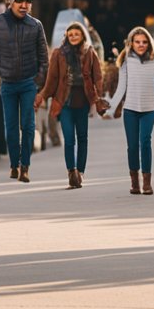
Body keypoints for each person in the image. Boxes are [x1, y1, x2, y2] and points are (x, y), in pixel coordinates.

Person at [0, 0, 48, 183]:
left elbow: (44, 57)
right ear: (10, 3)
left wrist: (38, 81)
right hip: (8, 84)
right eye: (19, 1)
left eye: (27, 2)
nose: (24, 5)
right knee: (10, 127)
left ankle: (25, 166)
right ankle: (14, 165)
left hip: (29, 82)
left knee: (28, 125)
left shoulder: (36, 25)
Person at [35, 21, 107, 189]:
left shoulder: (90, 52)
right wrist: (42, 96)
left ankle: (80, 172)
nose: (73, 36)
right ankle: (71, 172)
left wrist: (99, 97)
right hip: (64, 101)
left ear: (82, 36)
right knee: (69, 139)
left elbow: (97, 76)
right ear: (66, 36)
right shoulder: (58, 53)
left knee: (82, 138)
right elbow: (51, 79)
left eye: (77, 34)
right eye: (70, 34)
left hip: (82, 101)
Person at [101, 26, 154, 195]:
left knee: (145, 142)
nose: (141, 45)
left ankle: (147, 182)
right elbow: (121, 87)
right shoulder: (126, 59)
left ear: (149, 43)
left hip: (150, 107)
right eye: (137, 42)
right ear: (131, 43)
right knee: (132, 146)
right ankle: (134, 182)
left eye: (144, 42)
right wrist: (110, 109)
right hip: (130, 108)